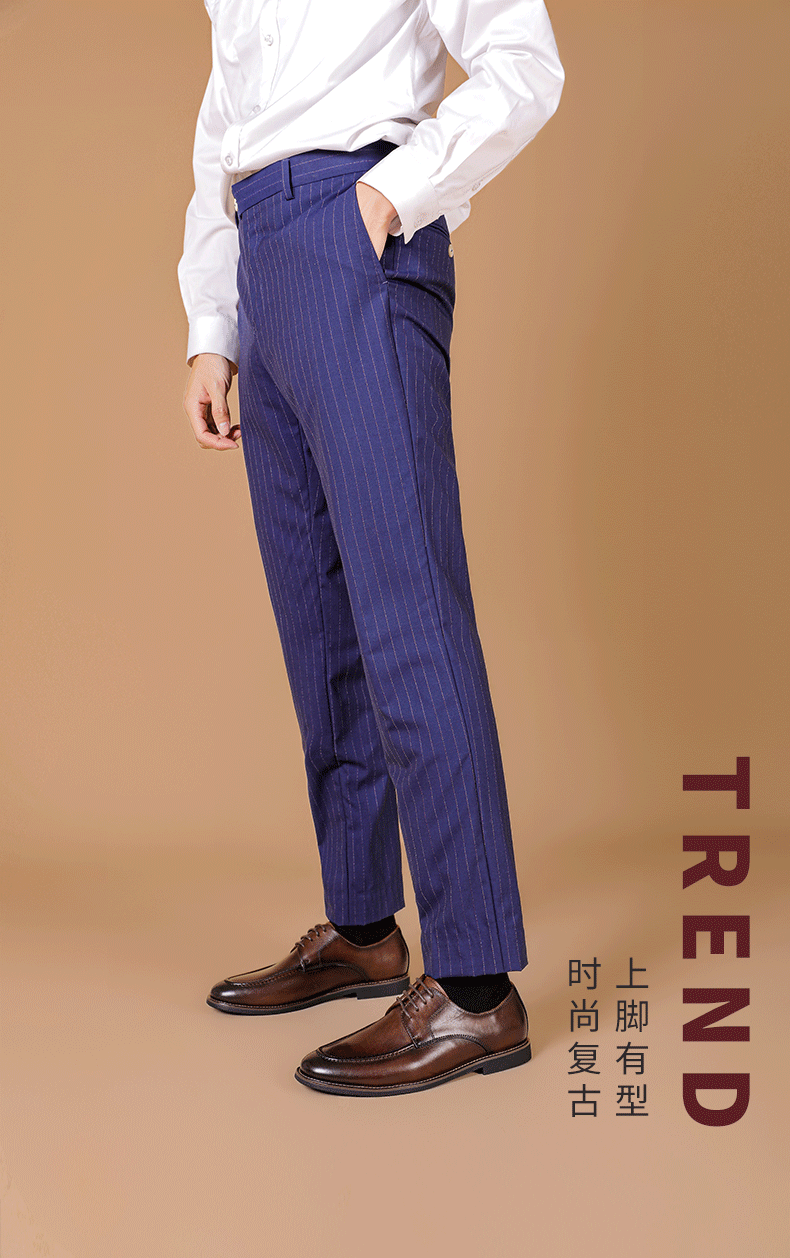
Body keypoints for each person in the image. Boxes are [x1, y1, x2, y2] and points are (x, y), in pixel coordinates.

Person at [177, 0, 565, 1096]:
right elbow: (225, 120)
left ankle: (477, 989)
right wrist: (212, 326)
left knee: (408, 614)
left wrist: (393, 194)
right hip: (263, 255)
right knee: (319, 620)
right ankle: (363, 930)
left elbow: (523, 59)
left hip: (357, 233)